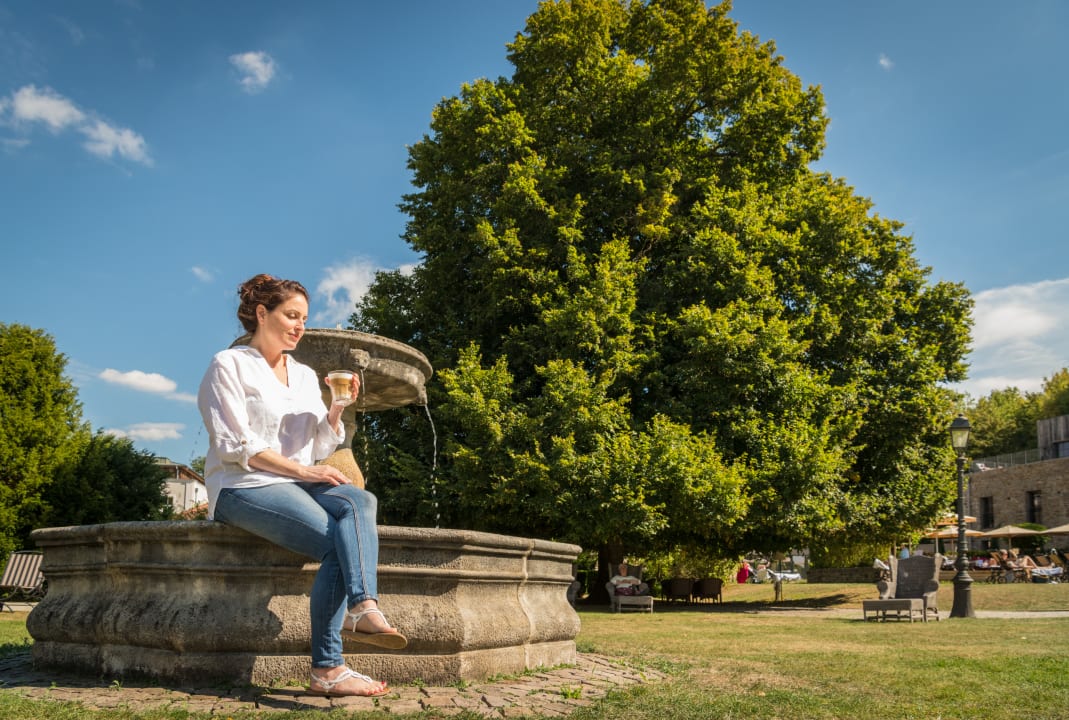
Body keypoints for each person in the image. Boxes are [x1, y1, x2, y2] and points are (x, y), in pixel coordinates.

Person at [197, 274, 404, 698]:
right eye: (291, 315)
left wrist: (337, 409)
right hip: (244, 484)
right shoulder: (229, 364)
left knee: (359, 499)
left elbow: (318, 445)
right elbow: (236, 446)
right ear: (261, 313)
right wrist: (307, 473)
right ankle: (328, 667)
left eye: (304, 319)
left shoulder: (307, 375)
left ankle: (364, 606)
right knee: (335, 544)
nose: (299, 326)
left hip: (293, 480)